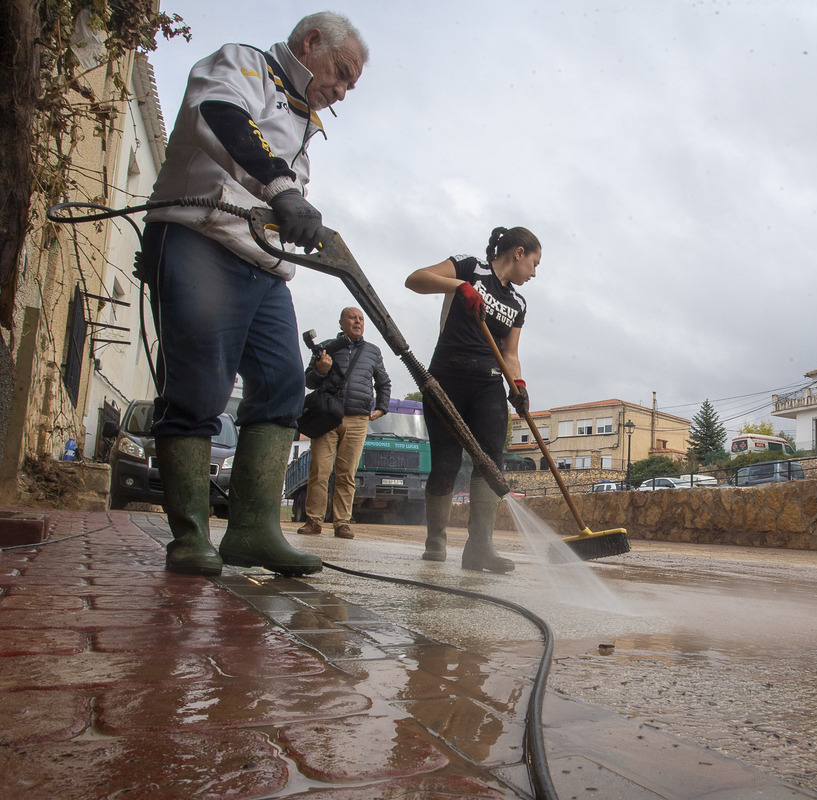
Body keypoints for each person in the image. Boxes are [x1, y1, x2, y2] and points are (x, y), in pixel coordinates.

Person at [140, 13, 368, 577]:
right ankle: (191, 538)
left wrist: (293, 204)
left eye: (349, 87)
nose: (341, 90)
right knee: (197, 389)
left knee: (283, 388)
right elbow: (220, 117)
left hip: (264, 266)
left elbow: (286, 189)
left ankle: (253, 532)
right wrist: (283, 189)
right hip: (199, 237)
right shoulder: (244, 65)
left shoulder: (305, 122)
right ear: (311, 42)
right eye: (341, 73)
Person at [404, 227, 541, 573]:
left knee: (489, 464)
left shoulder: (518, 303)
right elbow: (415, 279)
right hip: (446, 379)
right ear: (519, 253)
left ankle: (480, 547)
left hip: (488, 385)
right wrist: (459, 286)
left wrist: (519, 385)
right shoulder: (470, 268)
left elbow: (509, 353)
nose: (534, 274)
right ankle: (435, 542)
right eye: (535, 264)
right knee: (446, 464)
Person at [297, 307, 391, 539]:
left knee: (347, 473)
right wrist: (321, 371)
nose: (358, 321)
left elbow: (384, 382)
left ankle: (342, 523)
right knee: (319, 471)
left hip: (358, 418)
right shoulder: (326, 348)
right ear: (341, 323)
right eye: (352, 317)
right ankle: (314, 521)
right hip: (327, 416)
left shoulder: (373, 351)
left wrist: (382, 407)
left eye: (361, 318)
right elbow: (309, 380)